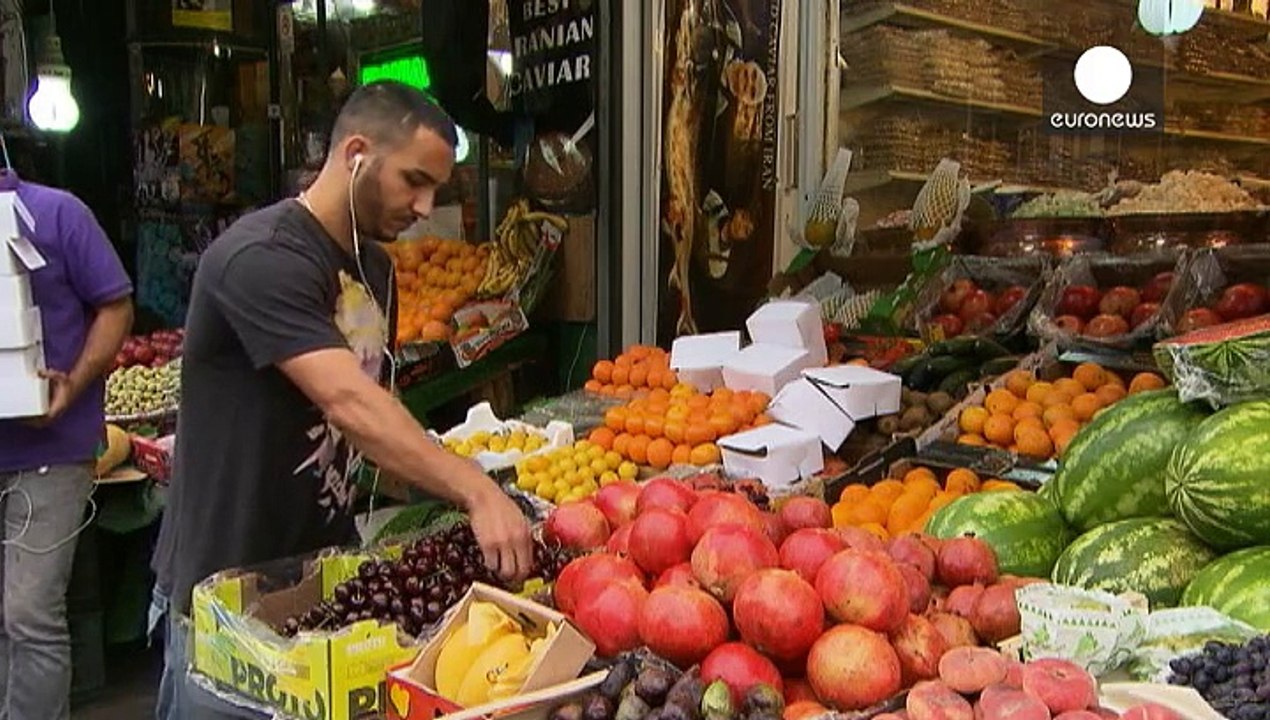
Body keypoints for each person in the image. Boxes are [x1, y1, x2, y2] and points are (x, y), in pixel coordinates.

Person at [150, 81, 534, 719]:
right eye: (413, 180)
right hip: (224, 595)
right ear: (356, 152)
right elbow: (348, 403)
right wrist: (476, 490)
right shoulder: (260, 257)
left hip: (318, 583)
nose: (425, 204)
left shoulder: (375, 271)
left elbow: (370, 432)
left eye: (435, 187)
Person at [0, 172, 134, 720]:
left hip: (52, 450)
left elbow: (116, 306)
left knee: (29, 612)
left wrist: (72, 385)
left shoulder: (57, 212)